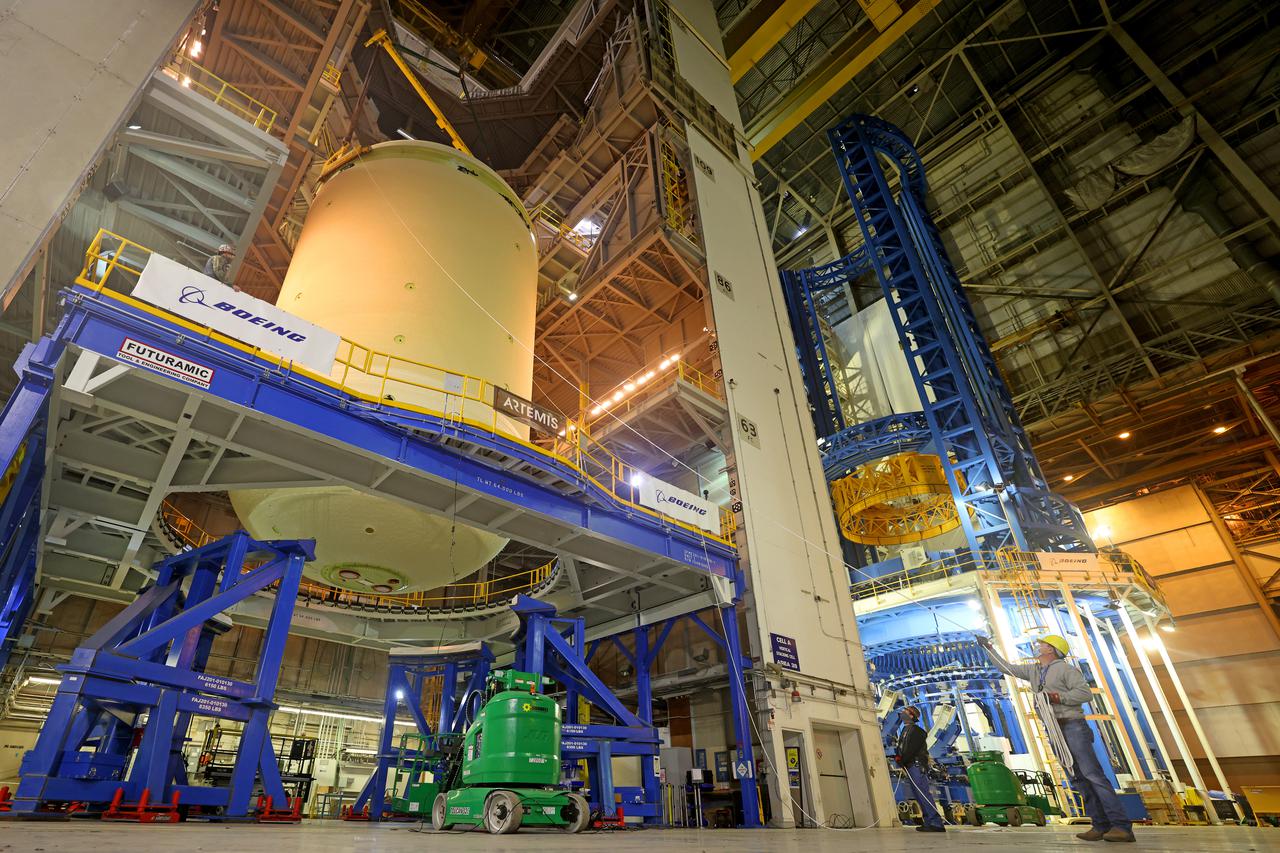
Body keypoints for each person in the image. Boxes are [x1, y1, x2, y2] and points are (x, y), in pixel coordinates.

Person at [977, 634, 1135, 843]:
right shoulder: (1034, 670)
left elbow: (1085, 693)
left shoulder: (1065, 670)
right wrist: (989, 648)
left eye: (1041, 644)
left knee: (1092, 775)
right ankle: (1100, 825)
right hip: (1054, 730)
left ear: (1051, 649)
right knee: (1077, 778)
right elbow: (1007, 668)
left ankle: (1121, 826)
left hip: (1072, 726)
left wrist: (1058, 697)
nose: (1037, 646)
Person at [894, 705, 944, 833]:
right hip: (909, 765)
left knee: (923, 794)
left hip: (916, 765)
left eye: (905, 712)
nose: (902, 713)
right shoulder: (905, 730)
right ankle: (928, 822)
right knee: (918, 795)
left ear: (911, 715)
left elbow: (913, 749)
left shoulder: (917, 731)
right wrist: (899, 758)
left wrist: (903, 759)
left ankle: (936, 822)